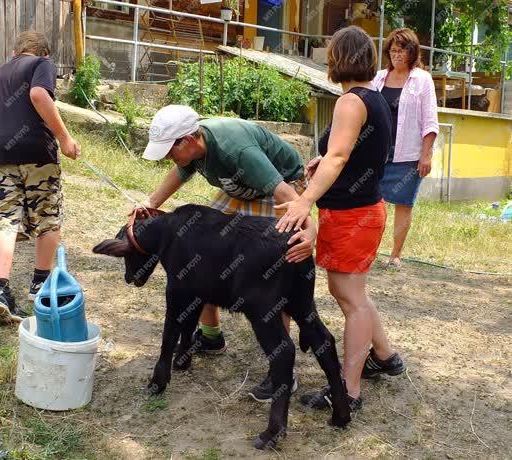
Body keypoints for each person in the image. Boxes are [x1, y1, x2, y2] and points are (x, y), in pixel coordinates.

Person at [139, 105, 316, 401]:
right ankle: (210, 337)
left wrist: (310, 232)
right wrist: (150, 202)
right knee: (205, 252)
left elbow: (288, 195)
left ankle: (282, 373)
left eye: (170, 151)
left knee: (273, 271)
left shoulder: (237, 150)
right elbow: (180, 173)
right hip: (240, 190)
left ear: (189, 140)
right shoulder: (194, 150)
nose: (169, 158)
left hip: (279, 191)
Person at [274, 26, 405, 411]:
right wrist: (326, 165)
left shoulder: (350, 102)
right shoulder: (374, 98)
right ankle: (384, 356)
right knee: (353, 295)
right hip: (358, 209)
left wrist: (304, 201)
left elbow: (339, 156)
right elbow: (355, 153)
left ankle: (348, 391)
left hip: (354, 215)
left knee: (350, 299)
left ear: (338, 58)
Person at [0, 31, 80, 325]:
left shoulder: (0, 73)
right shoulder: (42, 64)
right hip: (36, 151)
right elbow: (38, 95)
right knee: (47, 217)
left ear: (15, 53)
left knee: (6, 222)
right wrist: (65, 138)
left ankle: (0, 292)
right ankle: (39, 286)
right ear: (44, 54)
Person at [372, 28, 439, 270]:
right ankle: (369, 251)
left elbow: (430, 119)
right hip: (376, 153)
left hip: (408, 154)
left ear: (412, 52)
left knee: (403, 203)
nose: (396, 54)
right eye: (393, 49)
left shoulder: (422, 79)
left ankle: (395, 255)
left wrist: (426, 154)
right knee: (372, 203)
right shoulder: (377, 78)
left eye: (402, 50)